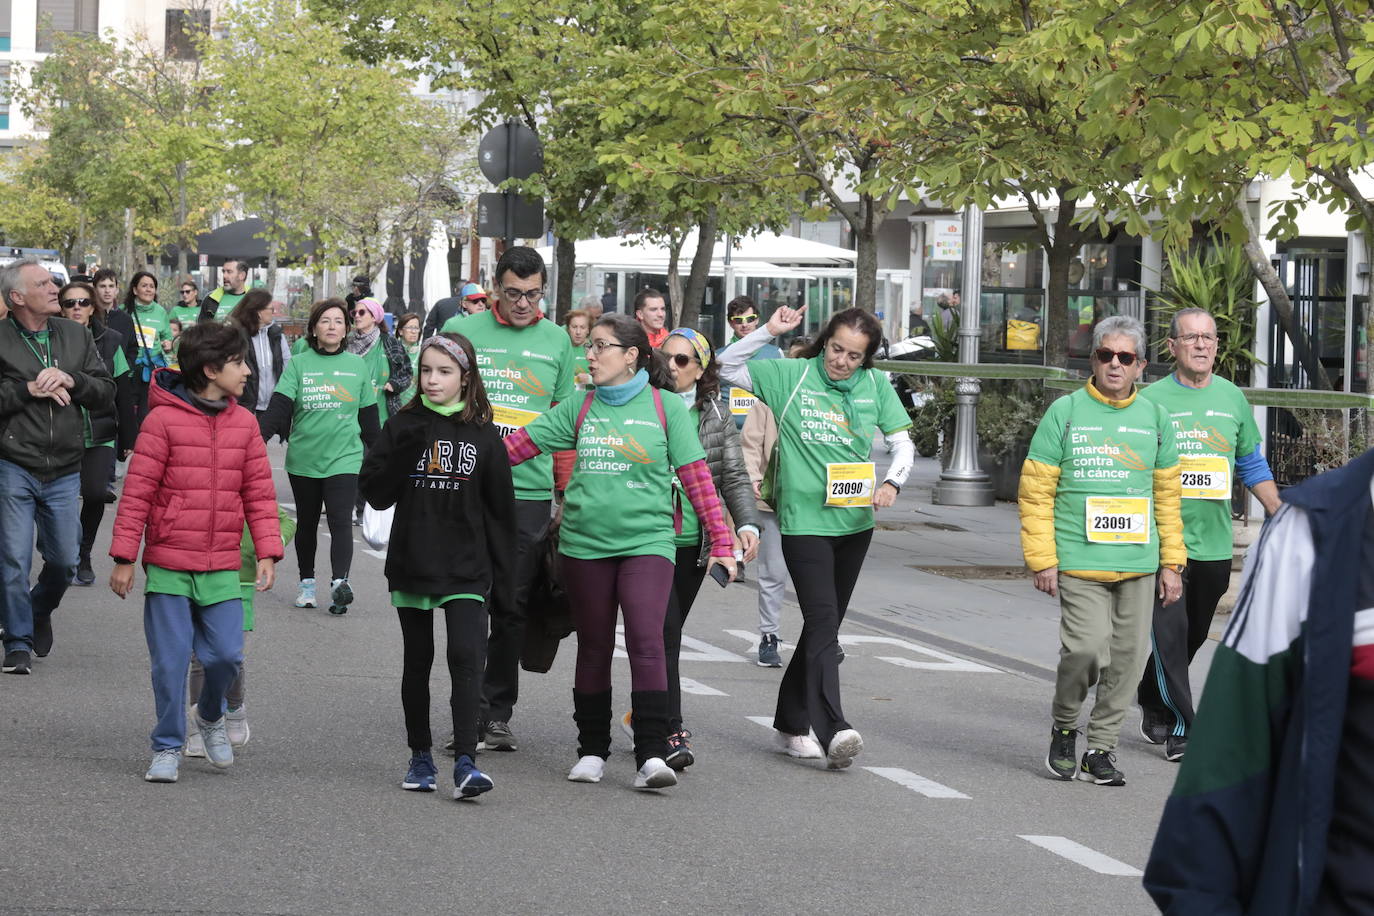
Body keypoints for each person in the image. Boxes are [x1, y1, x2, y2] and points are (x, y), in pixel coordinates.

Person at [504, 314, 736, 789]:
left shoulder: (665, 407)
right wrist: (456, 452)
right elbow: (517, 447)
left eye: (600, 346)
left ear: (632, 356)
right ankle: (591, 751)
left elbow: (697, 478)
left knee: (647, 641)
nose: (589, 354)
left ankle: (652, 754)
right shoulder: (580, 405)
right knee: (593, 646)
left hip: (647, 542)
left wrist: (722, 540)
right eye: (588, 346)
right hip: (584, 545)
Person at [1142, 449, 1374, 913]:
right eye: (1116, 364)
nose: (1118, 368)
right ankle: (1157, 712)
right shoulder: (1316, 531)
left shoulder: (1228, 402)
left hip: (1211, 552)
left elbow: (1251, 462)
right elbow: (1232, 750)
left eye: (1128, 364)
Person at [719, 306, 914, 769]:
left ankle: (789, 720)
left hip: (853, 527)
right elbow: (725, 366)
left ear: (866, 359)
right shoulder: (791, 376)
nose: (841, 361)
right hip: (804, 523)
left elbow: (903, 442)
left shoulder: (875, 386)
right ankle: (834, 727)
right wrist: (769, 330)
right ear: (825, 340)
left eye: (854, 355)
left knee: (821, 630)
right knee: (823, 621)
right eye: (836, 348)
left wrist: (893, 483)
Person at [108, 321, 283, 783]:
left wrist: (267, 549)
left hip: (223, 562)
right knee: (170, 663)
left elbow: (260, 494)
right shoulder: (161, 421)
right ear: (210, 369)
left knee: (225, 655)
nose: (247, 371)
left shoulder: (245, 423)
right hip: (168, 562)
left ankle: (210, 717)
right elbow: (138, 492)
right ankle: (167, 745)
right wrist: (125, 557)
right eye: (239, 363)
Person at [1019, 314, 1185, 787]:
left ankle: (1100, 749)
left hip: (1138, 564)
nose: (1114, 364)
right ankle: (1066, 724)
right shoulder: (1065, 412)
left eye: (1125, 357)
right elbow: (1034, 493)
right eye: (1105, 355)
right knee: (1086, 651)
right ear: (1092, 359)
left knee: (1129, 663)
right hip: (1079, 560)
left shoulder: (1155, 418)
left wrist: (1172, 563)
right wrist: (1042, 558)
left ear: (1141, 366)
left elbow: (1168, 500)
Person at [359, 333, 516, 800]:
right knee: (418, 663)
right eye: (426, 370)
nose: (432, 380)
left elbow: (501, 515)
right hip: (414, 561)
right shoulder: (403, 425)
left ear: (466, 378)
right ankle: (420, 755)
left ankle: (466, 762)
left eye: (444, 372)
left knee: (467, 661)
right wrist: (406, 453)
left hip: (468, 569)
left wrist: (508, 588)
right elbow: (376, 491)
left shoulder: (486, 435)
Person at [440, 246, 574, 753]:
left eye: (534, 294)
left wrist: (565, 493)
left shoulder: (557, 340)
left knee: (512, 603)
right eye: (514, 293)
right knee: (468, 598)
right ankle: (468, 709)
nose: (524, 303)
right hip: (466, 485)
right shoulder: (465, 335)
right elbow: (438, 403)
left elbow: (563, 421)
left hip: (531, 492)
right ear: (494, 288)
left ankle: (498, 711)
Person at [1135, 307, 1283, 762]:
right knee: (1171, 634)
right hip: (1165, 542)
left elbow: (1249, 462)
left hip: (1215, 542)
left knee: (1194, 633)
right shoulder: (1150, 400)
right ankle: (1183, 727)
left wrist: (1278, 511)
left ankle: (1150, 693)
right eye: (1191, 337)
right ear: (1173, 346)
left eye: (1209, 338)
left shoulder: (1232, 398)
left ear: (1217, 346)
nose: (1201, 345)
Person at [649, 327, 760, 769]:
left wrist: (746, 523)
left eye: (682, 361)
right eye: (666, 357)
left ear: (701, 369)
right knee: (666, 633)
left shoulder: (714, 408)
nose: (671, 367)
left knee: (664, 634)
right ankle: (669, 728)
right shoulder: (645, 400)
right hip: (647, 535)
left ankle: (648, 713)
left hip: (693, 541)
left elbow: (732, 474)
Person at [0, 260, 115, 673]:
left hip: (66, 467)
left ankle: (37, 609)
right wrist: (27, 389)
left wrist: (71, 380)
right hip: (14, 464)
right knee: (12, 559)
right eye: (44, 283)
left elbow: (105, 392)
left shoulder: (76, 335)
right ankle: (17, 642)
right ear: (17, 297)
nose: (55, 288)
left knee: (65, 560)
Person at [258, 298, 380, 615]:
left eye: (338, 321)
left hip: (345, 459)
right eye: (325, 320)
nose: (331, 326)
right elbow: (279, 407)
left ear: (345, 329)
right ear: (314, 328)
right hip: (305, 460)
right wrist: (255, 439)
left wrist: (383, 460)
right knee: (308, 524)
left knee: (341, 521)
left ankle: (340, 584)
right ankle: (307, 585)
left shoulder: (357, 367)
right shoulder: (300, 364)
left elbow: (369, 422)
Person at [58, 281, 136, 587]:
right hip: (59, 433)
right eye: (69, 303)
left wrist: (129, 439)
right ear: (61, 308)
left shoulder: (112, 340)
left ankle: (84, 551)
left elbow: (123, 391)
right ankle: (61, 551)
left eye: (83, 302)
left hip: (100, 431)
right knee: (59, 500)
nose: (77, 307)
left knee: (93, 493)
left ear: (93, 308)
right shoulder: (48, 340)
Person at [739, 336, 811, 668]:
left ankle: (825, 636)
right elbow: (751, 443)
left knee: (817, 575)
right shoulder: (768, 401)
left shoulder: (828, 403)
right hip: (774, 499)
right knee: (773, 572)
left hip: (815, 505)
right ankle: (769, 635)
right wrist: (753, 477)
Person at [226, 289, 292, 426]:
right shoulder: (237, 335)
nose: (273, 312)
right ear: (258, 312)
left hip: (271, 408)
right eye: (270, 308)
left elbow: (287, 365)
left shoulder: (276, 335)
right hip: (244, 406)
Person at [718, 295, 782, 430]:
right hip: (729, 432)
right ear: (730, 322)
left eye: (750, 319)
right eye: (738, 320)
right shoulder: (719, 356)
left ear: (757, 320)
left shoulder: (776, 354)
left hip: (764, 431)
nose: (745, 324)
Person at [348, 297, 412, 423]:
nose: (357, 316)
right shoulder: (346, 343)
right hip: (349, 413)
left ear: (374, 317)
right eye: (354, 313)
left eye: (362, 312)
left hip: (382, 414)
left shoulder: (390, 342)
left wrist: (395, 384)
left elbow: (406, 371)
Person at [124, 271, 173, 421]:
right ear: (134, 290)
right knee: (127, 414)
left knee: (146, 415)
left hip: (151, 371)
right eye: (144, 286)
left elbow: (167, 337)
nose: (148, 289)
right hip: (128, 370)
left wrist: (168, 345)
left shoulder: (161, 312)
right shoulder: (123, 311)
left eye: (152, 286)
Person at [394, 312, 422, 404]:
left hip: (414, 405)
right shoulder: (392, 351)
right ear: (401, 331)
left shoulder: (423, 353)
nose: (413, 332)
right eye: (410, 328)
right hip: (392, 403)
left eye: (416, 328)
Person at [564, 308, 591, 387]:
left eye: (582, 327)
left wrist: (590, 379)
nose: (578, 332)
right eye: (574, 327)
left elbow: (608, 380)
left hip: (587, 397)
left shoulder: (595, 351)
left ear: (588, 330)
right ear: (568, 329)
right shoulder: (562, 348)